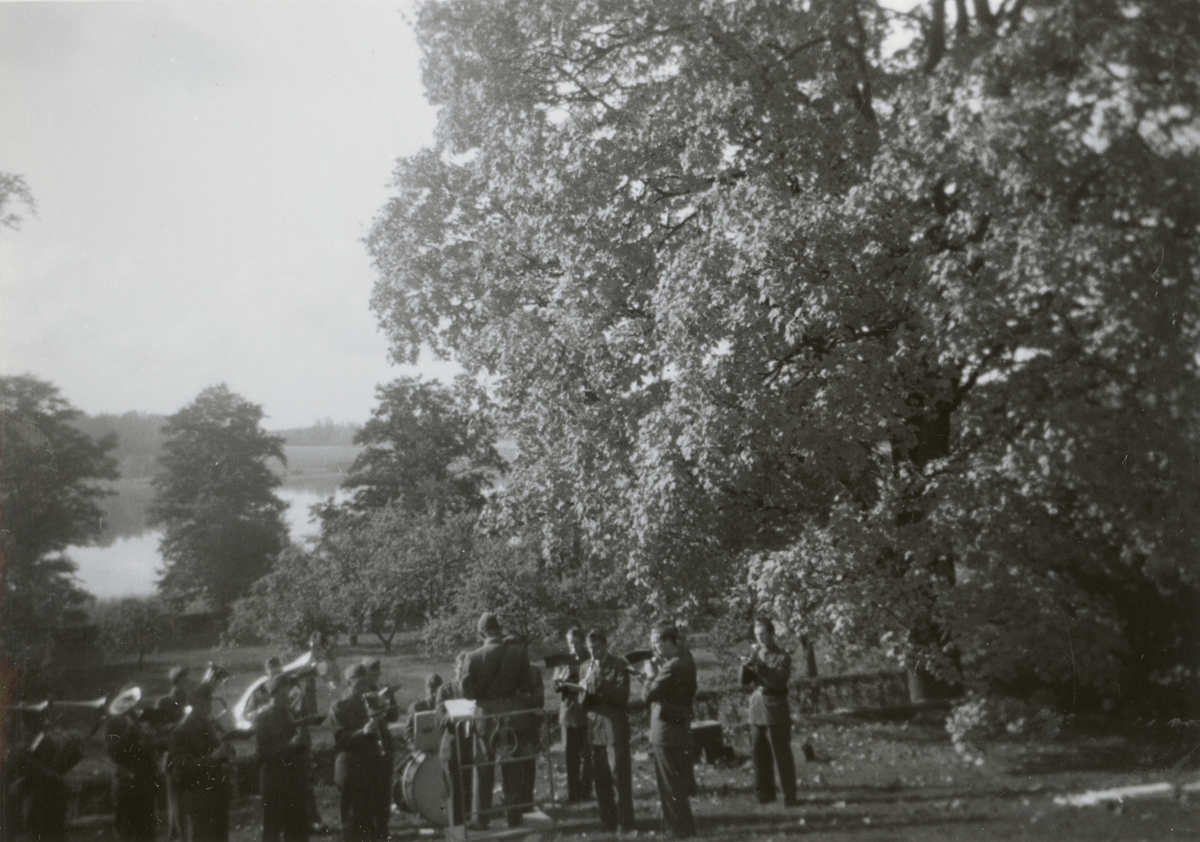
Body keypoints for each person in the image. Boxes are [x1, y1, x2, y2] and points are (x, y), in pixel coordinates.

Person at [461, 612, 539, 829]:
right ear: (499, 629)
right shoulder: (518, 653)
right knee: (512, 767)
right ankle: (513, 816)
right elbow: (527, 686)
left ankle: (480, 819)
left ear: (481, 633)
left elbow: (467, 693)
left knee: (483, 768)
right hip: (512, 715)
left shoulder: (472, 656)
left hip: (485, 716)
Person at [643, 622, 697, 840]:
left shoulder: (671, 666)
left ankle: (677, 832)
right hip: (679, 726)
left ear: (667, 642)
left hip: (665, 730)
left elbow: (649, 695)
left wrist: (649, 675)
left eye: (656, 642)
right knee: (678, 782)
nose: (653, 647)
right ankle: (686, 828)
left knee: (668, 784)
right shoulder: (686, 659)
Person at [579, 628, 634, 835]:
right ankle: (608, 822)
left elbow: (622, 696)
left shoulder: (619, 664)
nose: (593, 652)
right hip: (595, 729)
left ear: (605, 645)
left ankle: (625, 822)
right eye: (590, 648)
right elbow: (583, 702)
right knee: (601, 780)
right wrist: (582, 691)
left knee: (620, 777)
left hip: (615, 727)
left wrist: (600, 683)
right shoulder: (585, 667)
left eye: (597, 648)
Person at [167, 681, 234, 842]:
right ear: (195, 704)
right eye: (206, 702)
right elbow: (181, 768)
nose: (209, 706)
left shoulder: (207, 724)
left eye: (209, 701)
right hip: (198, 799)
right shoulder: (181, 731)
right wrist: (213, 757)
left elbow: (216, 751)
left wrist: (227, 753)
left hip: (216, 796)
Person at [741, 617, 798, 806]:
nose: (760, 639)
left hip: (775, 707)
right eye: (757, 635)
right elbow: (744, 681)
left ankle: (790, 795)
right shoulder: (756, 653)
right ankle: (764, 794)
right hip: (757, 706)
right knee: (758, 753)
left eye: (763, 634)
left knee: (782, 754)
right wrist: (745, 665)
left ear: (772, 634)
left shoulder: (783, 657)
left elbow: (778, 682)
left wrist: (758, 666)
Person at [330, 664, 387, 842]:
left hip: (370, 767)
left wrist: (379, 717)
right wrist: (363, 731)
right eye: (360, 683)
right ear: (350, 682)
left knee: (370, 821)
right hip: (350, 769)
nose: (364, 687)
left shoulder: (369, 702)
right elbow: (340, 739)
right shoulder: (339, 706)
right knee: (352, 822)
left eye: (366, 683)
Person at [256, 675, 309, 842]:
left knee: (297, 830)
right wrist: (290, 745)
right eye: (284, 693)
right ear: (273, 694)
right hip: (274, 781)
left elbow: (298, 747)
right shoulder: (263, 717)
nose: (288, 697)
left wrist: (301, 739)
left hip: (294, 779)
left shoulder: (289, 712)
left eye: (288, 693)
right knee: (272, 831)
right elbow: (262, 754)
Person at [106, 689, 161, 842]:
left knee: (148, 830)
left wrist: (153, 739)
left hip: (146, 781)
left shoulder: (140, 720)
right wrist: (130, 734)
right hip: (129, 782)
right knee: (128, 829)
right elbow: (113, 752)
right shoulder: (115, 723)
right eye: (127, 702)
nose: (133, 706)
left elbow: (150, 745)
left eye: (133, 702)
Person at [362, 657, 399, 836]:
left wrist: (390, 698)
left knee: (385, 786)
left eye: (378, 672)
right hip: (369, 742)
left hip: (384, 739)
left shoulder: (381, 688)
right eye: (372, 673)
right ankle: (371, 827)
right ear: (365, 674)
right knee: (372, 787)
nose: (376, 676)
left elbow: (393, 717)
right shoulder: (361, 692)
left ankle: (383, 827)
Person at [556, 627, 593, 803]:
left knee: (588, 754)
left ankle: (586, 791)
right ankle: (573, 793)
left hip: (586, 711)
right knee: (570, 755)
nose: (573, 647)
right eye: (571, 643)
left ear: (583, 642)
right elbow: (556, 686)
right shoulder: (564, 659)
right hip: (568, 711)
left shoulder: (590, 658)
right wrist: (561, 679)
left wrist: (575, 674)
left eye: (577, 643)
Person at [436, 653, 472, 828]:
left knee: (469, 793)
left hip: (470, 748)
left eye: (466, 669)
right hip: (451, 749)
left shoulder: (474, 689)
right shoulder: (445, 690)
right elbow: (440, 718)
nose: (463, 672)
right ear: (454, 667)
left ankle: (469, 831)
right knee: (454, 795)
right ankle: (456, 834)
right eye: (460, 668)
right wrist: (457, 714)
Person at [157, 666, 192, 841]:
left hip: (191, 756)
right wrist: (179, 726)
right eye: (184, 679)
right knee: (177, 804)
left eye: (187, 678)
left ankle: (181, 836)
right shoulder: (165, 702)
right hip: (173, 758)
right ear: (176, 681)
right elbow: (158, 730)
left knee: (187, 804)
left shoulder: (190, 700)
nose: (188, 682)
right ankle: (178, 837)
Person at [405, 673, 444, 744]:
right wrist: (415, 741)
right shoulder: (417, 708)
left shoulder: (444, 707)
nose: (435, 695)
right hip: (423, 746)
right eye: (432, 691)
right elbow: (408, 733)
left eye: (438, 691)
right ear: (426, 690)